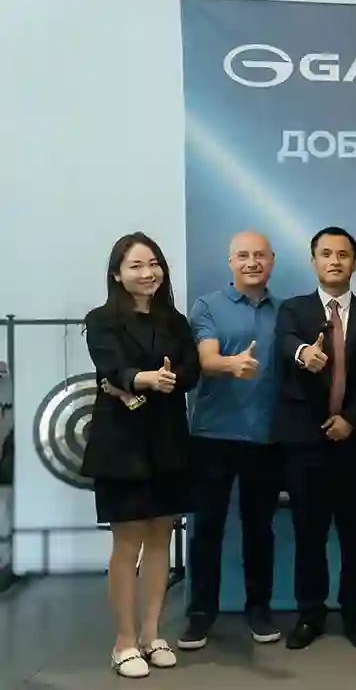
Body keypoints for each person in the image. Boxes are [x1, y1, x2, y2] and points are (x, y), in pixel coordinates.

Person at [82, 232, 199, 678]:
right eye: (136, 265)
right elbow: (111, 366)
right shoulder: (101, 320)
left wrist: (171, 379)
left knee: (160, 539)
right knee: (127, 541)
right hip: (121, 443)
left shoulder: (175, 320)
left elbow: (190, 369)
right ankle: (124, 642)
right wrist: (145, 378)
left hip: (168, 438)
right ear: (117, 273)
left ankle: (152, 635)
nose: (148, 272)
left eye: (154, 264)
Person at [272, 226, 356, 650]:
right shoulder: (293, 310)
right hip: (305, 442)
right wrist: (303, 353)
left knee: (355, 534)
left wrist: (351, 420)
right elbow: (284, 342)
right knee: (309, 534)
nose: (335, 261)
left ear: (354, 264)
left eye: (343, 254)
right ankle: (310, 614)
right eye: (326, 254)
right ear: (314, 261)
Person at [180, 231, 283, 650]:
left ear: (272, 260)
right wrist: (230, 363)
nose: (251, 262)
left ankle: (259, 610)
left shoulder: (287, 312)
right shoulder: (207, 306)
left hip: (267, 437)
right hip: (213, 435)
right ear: (230, 262)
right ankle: (201, 614)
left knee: (260, 530)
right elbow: (206, 359)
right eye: (243, 255)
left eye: (259, 255)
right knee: (207, 528)